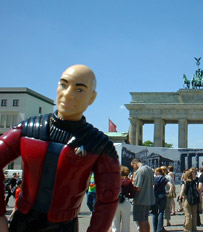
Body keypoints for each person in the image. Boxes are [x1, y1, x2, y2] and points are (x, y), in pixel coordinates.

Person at [0, 64, 121, 232]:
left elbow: (108, 198)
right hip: (23, 222)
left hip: (64, 226)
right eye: (64, 85)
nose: (68, 94)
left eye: (79, 90)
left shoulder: (99, 144)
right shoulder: (28, 129)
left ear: (92, 98)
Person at [131, 158, 155, 232]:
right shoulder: (149, 169)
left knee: (141, 221)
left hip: (140, 200)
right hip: (148, 199)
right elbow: (153, 183)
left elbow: (138, 187)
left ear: (135, 163)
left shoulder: (140, 171)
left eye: (132, 166)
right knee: (145, 219)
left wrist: (131, 185)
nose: (133, 168)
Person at [112, 166, 135, 232]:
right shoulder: (128, 181)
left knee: (115, 223)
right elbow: (133, 194)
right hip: (125, 201)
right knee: (126, 224)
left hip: (115, 202)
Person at [152, 167, 172, 232]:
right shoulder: (163, 178)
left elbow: (152, 187)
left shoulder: (153, 178)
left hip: (155, 196)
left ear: (156, 172)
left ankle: (154, 229)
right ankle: (160, 228)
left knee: (154, 213)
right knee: (161, 212)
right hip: (163, 195)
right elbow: (171, 185)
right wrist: (169, 193)